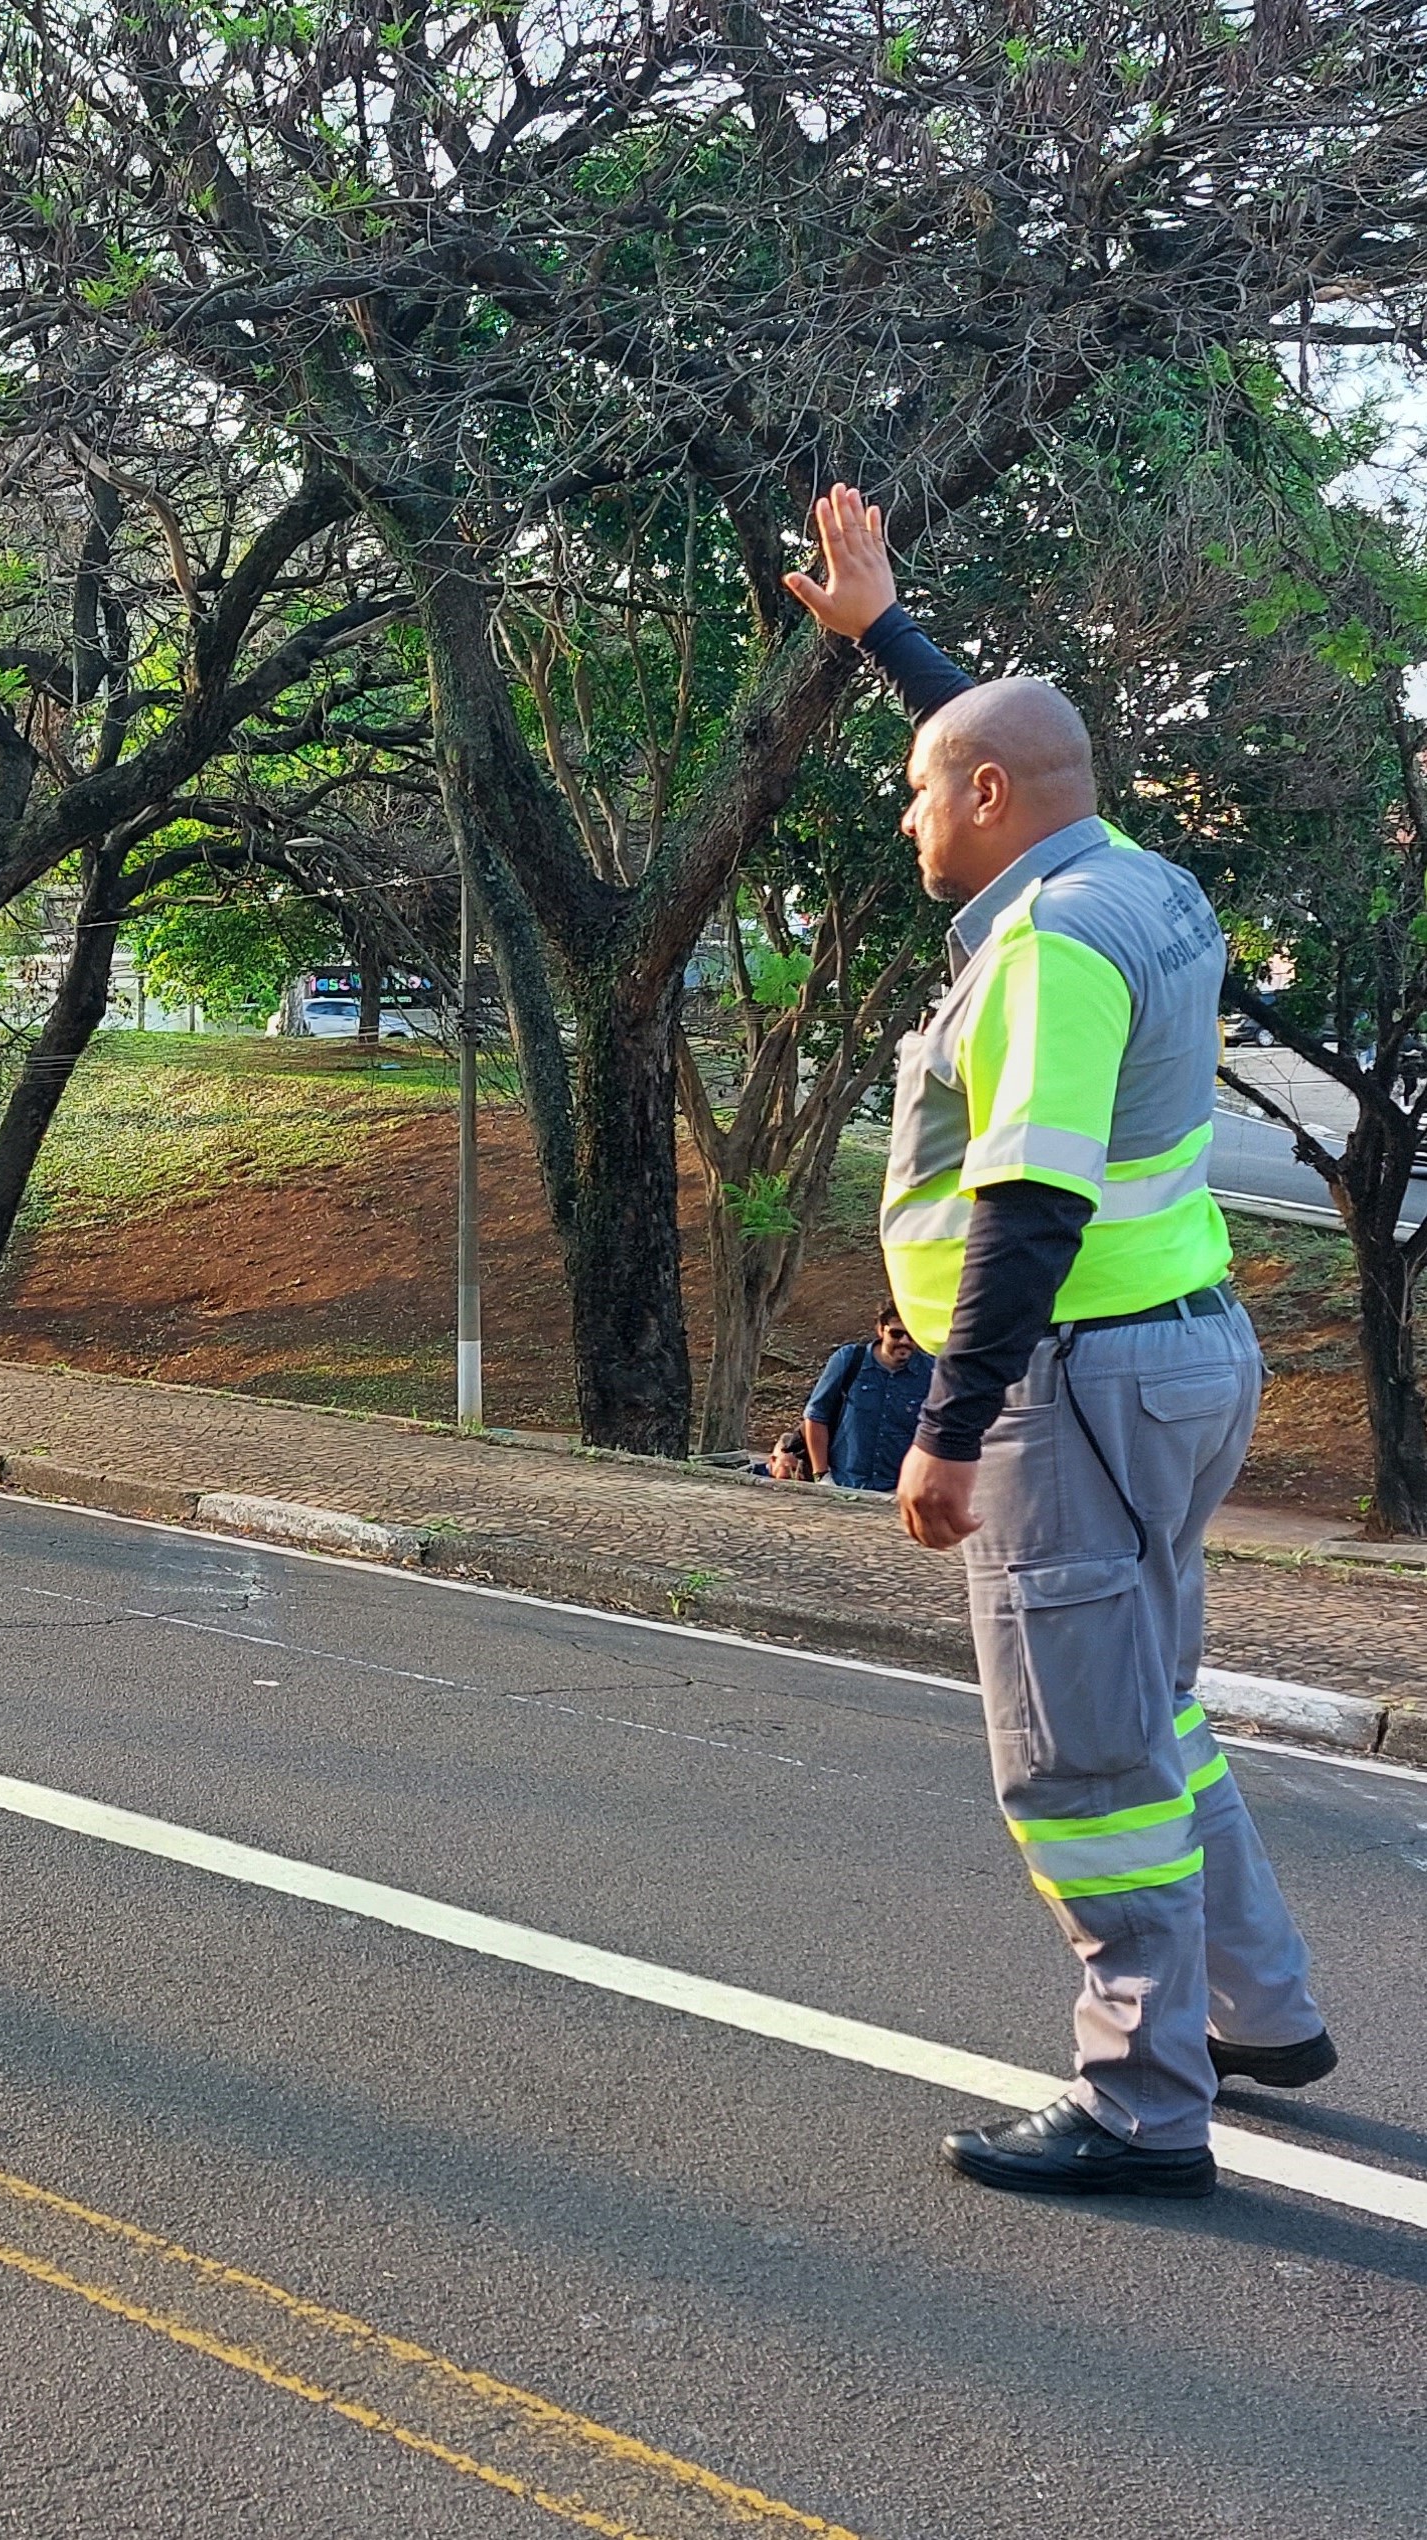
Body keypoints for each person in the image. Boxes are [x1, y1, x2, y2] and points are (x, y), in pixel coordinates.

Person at [786, 484, 1333, 2198]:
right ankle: (1260, 2011)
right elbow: (1011, 750)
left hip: (1069, 1385)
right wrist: (886, 637)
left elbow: (1027, 1205)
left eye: (916, 800)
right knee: (1152, 1708)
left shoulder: (1048, 949)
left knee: (1081, 1759)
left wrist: (947, 1426)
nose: (906, 824)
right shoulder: (1137, 878)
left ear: (988, 806)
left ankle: (1140, 2102)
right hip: (1179, 1359)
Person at [802, 1301, 932, 1493]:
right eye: (896, 1333)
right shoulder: (849, 1360)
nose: (904, 1341)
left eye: (912, 1334)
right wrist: (821, 1476)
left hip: (900, 1491)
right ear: (880, 1329)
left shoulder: (932, 1372)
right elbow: (816, 1416)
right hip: (844, 1485)